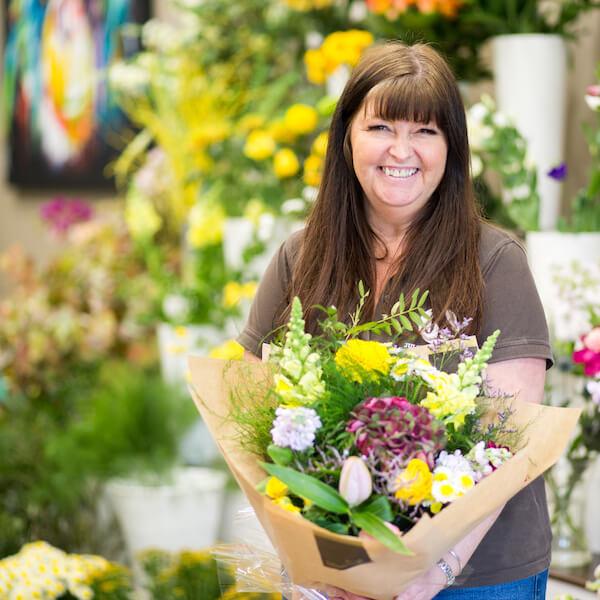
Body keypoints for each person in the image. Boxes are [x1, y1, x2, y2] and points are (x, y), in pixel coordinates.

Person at [237, 41, 553, 600]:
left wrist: (433, 574)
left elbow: (512, 442)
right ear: (347, 139)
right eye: (381, 126)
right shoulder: (299, 257)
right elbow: (252, 423)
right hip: (333, 576)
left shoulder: (496, 263)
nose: (401, 149)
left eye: (426, 131)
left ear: (452, 149)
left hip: (474, 578)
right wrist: (308, 558)